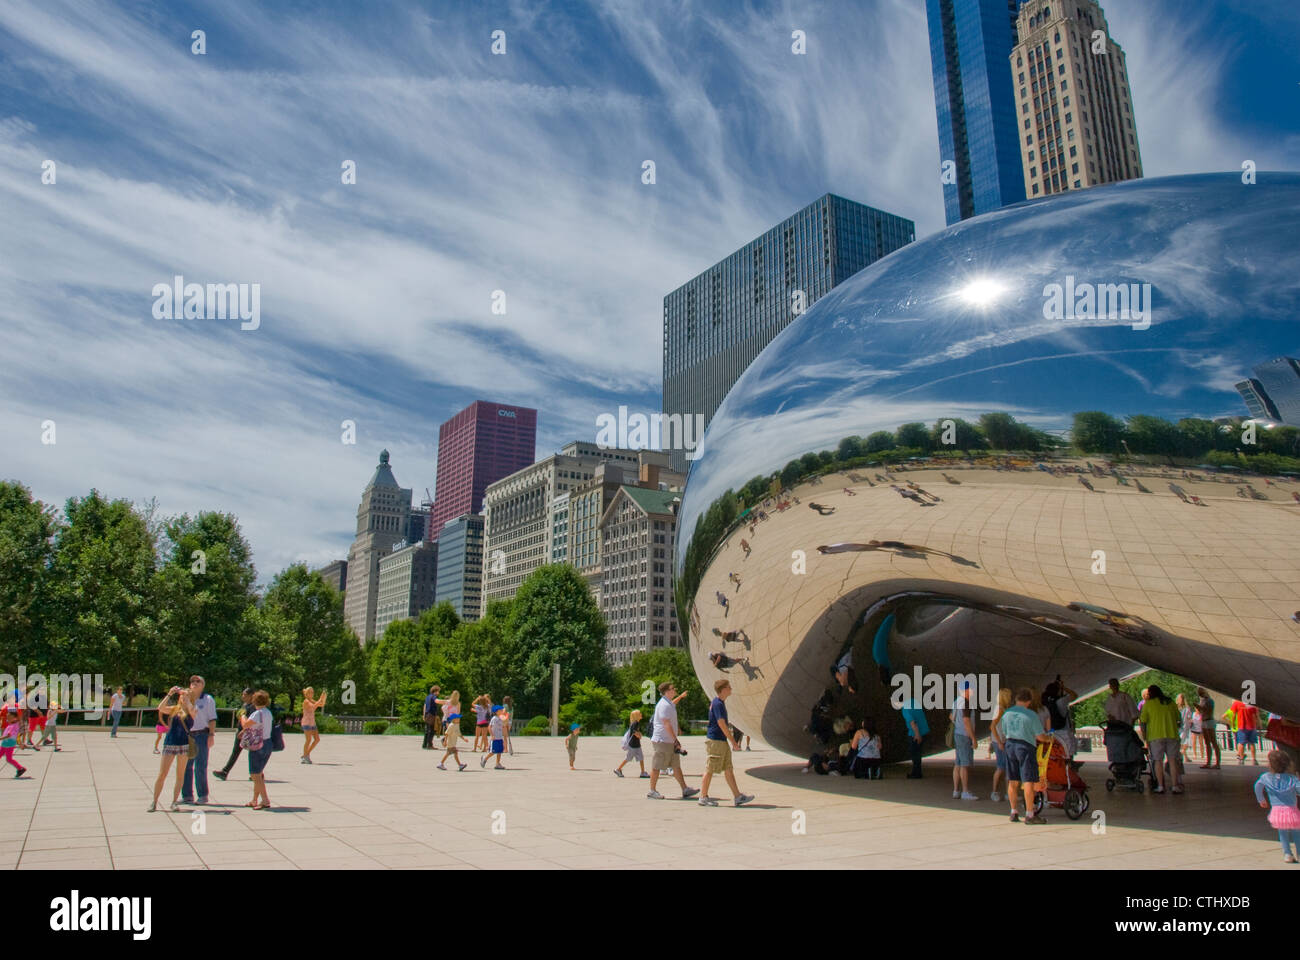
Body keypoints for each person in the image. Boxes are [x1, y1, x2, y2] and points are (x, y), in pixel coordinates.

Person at [998, 688, 1053, 824]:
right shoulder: (1031, 715)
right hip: (1025, 747)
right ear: (1029, 701)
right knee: (1028, 780)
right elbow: (1040, 736)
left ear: (1016, 699)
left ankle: (1013, 812)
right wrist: (1048, 739)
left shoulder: (1007, 713)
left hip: (1010, 746)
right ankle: (1029, 814)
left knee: (1013, 780)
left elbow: (1003, 732)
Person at [698, 679, 754, 806]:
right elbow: (721, 723)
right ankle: (703, 797)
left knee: (728, 769)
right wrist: (734, 741)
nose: (731, 689)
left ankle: (738, 796)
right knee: (710, 768)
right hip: (716, 741)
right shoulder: (717, 704)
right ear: (723, 689)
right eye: (729, 687)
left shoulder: (719, 703)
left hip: (720, 741)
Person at [647, 681, 699, 801]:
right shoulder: (663, 705)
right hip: (663, 740)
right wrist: (675, 740)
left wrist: (680, 696)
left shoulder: (668, 703)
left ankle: (685, 789)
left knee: (676, 765)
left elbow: (673, 704)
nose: (674, 689)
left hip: (669, 740)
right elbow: (666, 723)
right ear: (667, 691)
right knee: (657, 766)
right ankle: (652, 791)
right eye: (672, 688)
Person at [149, 687, 194, 812]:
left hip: (184, 745)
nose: (183, 698)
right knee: (162, 774)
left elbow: (193, 712)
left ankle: (174, 802)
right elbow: (161, 708)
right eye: (181, 696)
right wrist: (170, 694)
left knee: (180, 775)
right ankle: (154, 801)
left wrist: (188, 699)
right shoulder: (174, 709)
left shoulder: (192, 710)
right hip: (170, 743)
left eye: (185, 696)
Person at [1254, 750, 1300, 863]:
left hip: (1277, 811)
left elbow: (1257, 786)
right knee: (1297, 832)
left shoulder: (1266, 777)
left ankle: (1287, 854)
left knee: (1282, 833)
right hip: (1291, 810)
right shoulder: (1292, 779)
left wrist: (1261, 799)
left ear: (1270, 764)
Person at [1138, 684, 1184, 795]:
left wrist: (1145, 737)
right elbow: (1178, 718)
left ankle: (1160, 786)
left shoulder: (1148, 704)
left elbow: (1143, 720)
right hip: (1172, 734)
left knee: (1157, 761)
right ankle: (1175, 785)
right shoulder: (1170, 702)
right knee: (1173, 761)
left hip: (1155, 736)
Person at [182, 675, 217, 805]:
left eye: (198, 681)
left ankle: (202, 794)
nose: (194, 683)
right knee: (186, 766)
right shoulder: (186, 698)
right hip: (188, 734)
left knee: (200, 766)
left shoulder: (207, 699)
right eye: (192, 681)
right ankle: (187, 795)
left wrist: (211, 735)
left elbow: (212, 718)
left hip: (202, 734)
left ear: (203, 685)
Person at [239, 690, 275, 809]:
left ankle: (265, 800)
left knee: (255, 774)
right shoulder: (268, 713)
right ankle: (254, 799)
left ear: (254, 701)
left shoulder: (257, 713)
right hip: (267, 743)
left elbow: (246, 724)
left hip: (258, 744)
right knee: (258, 773)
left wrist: (242, 716)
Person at [214, 689, 254, 780]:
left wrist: (244, 730)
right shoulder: (245, 705)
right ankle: (225, 772)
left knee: (253, 753)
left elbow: (251, 721)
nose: (242, 696)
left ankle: (257, 773)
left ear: (251, 695)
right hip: (241, 731)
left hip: (247, 733)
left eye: (244, 694)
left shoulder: (253, 707)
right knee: (236, 752)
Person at [951, 682, 978, 801]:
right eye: (971, 689)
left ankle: (956, 790)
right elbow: (966, 721)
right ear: (966, 690)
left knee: (958, 763)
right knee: (964, 765)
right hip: (964, 735)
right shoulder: (966, 703)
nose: (973, 691)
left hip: (957, 734)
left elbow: (951, 717)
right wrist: (973, 737)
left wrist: (957, 724)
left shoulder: (956, 701)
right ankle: (965, 791)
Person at [1042, 676, 1077, 757]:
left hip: (1049, 732)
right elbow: (1074, 695)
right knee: (1066, 756)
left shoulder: (1044, 703)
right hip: (1063, 731)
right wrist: (1063, 687)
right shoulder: (1061, 701)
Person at [989, 688, 1012, 802]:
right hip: (1000, 742)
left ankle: (1009, 793)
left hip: (1003, 741)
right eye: (1009, 696)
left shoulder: (1002, 709)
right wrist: (998, 742)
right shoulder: (1000, 709)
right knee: (1001, 767)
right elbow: (992, 726)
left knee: (1007, 768)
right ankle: (995, 791)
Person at [900, 694, 928, 779]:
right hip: (924, 730)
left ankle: (916, 773)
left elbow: (912, 722)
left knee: (914, 753)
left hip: (914, 733)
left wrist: (917, 734)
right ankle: (917, 772)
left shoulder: (905, 708)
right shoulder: (915, 703)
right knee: (918, 753)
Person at [614, 709, 648, 778]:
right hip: (633, 745)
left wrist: (639, 734)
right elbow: (634, 732)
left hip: (636, 745)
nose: (641, 714)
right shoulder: (635, 723)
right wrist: (639, 735)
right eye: (639, 713)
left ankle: (642, 772)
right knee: (628, 758)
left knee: (641, 758)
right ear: (636, 716)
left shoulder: (636, 723)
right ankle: (618, 769)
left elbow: (635, 731)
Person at [300, 686, 327, 764]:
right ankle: (305, 757)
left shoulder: (311, 700)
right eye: (310, 692)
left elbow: (321, 704)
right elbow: (313, 707)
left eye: (312, 692)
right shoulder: (306, 701)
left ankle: (306, 754)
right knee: (308, 740)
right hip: (306, 723)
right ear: (306, 694)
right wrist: (320, 699)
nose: (311, 694)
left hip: (312, 723)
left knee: (317, 739)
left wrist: (323, 698)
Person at [1196, 687, 1221, 769]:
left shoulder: (1209, 700)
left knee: (1213, 742)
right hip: (1204, 721)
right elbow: (1201, 711)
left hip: (1209, 721)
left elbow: (1207, 710)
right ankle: (1208, 762)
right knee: (1207, 743)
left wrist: (1199, 707)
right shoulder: (1203, 700)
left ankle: (1217, 763)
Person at [1233, 696, 1261, 765]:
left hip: (1242, 726)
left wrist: (1233, 724)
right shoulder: (1252, 704)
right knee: (1252, 743)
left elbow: (1233, 714)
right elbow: (1257, 716)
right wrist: (1259, 724)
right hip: (1252, 726)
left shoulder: (1237, 703)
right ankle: (1254, 759)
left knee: (1241, 743)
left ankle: (1241, 759)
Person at [1, 713, 26, 779]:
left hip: (8, 743)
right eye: (7, 717)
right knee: (9, 759)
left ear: (15, 718)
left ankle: (20, 768)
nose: (7, 719)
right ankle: (20, 768)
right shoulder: (12, 724)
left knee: (9, 759)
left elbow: (8, 735)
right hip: (7, 743)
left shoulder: (13, 725)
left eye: (9, 718)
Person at [481, 705, 507, 769]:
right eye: (500, 710)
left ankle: (497, 763)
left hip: (500, 737)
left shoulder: (501, 718)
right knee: (493, 751)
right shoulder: (494, 718)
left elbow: (504, 725)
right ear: (496, 712)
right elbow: (489, 727)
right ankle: (484, 759)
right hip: (495, 738)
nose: (502, 711)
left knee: (499, 751)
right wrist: (492, 735)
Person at [422, 685, 442, 750]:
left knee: (427, 730)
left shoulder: (427, 697)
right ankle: (429, 745)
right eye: (438, 691)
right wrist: (446, 702)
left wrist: (424, 715)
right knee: (431, 730)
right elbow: (437, 701)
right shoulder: (433, 697)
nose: (438, 693)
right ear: (435, 691)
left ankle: (424, 745)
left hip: (427, 714)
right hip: (431, 715)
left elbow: (424, 706)